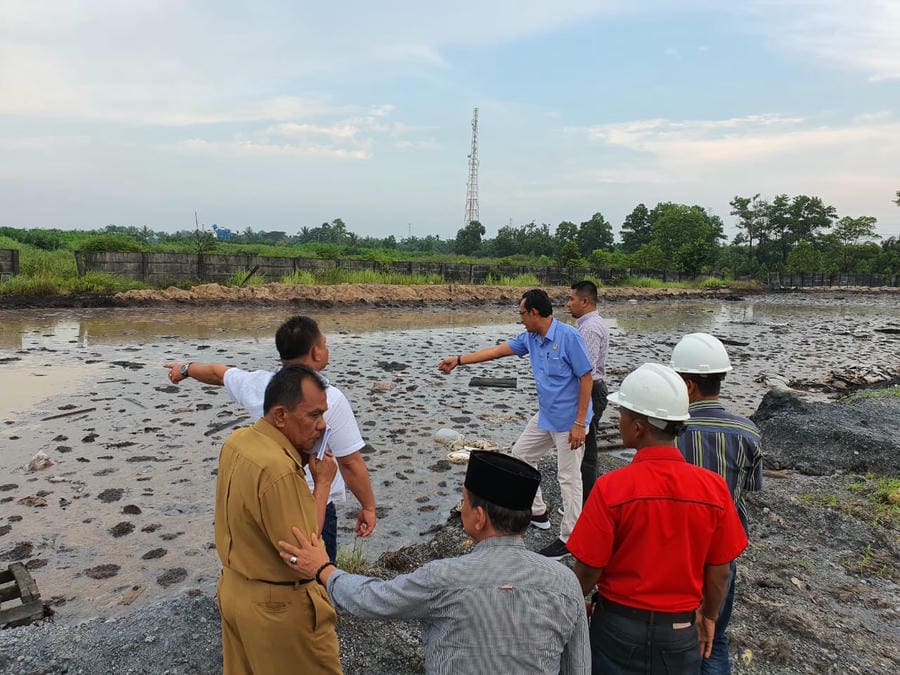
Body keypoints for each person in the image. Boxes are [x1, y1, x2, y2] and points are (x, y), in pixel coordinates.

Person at [278, 450, 590, 674]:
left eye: (464, 501)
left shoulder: (445, 577)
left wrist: (324, 569)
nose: (462, 507)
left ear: (479, 518)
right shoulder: (565, 583)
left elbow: (371, 600)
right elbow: (578, 667)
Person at [566, 363, 748, 675]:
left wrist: (573, 601)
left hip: (616, 627)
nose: (618, 420)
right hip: (679, 632)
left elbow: (588, 567)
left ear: (639, 427)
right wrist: (709, 616)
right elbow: (720, 571)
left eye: (622, 414)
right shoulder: (714, 488)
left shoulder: (612, 487)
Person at [163, 315, 376, 562]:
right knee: (316, 571)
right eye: (325, 343)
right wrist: (368, 506)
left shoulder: (260, 383)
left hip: (267, 496)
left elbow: (217, 373)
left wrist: (185, 369)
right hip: (313, 499)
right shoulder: (330, 398)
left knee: (269, 563)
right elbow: (350, 462)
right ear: (316, 352)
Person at [438, 288, 593, 559]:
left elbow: (586, 378)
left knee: (569, 478)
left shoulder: (569, 337)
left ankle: (571, 539)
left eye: (522, 313)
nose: (520, 318)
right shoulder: (531, 338)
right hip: (545, 415)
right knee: (521, 454)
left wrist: (580, 423)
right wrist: (459, 360)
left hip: (569, 421)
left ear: (534, 312)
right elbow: (497, 351)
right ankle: (538, 511)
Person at [215, 364, 342, 675]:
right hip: (278, 608)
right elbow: (304, 553)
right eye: (314, 415)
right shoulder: (279, 469)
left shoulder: (238, 441)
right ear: (281, 416)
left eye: (323, 414)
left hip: (235, 588)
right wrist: (322, 483)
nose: (323, 426)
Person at [670, 333, 764, 675]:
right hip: (723, 555)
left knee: (672, 639)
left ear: (689, 386)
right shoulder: (748, 432)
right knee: (714, 638)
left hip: (677, 552)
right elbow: (749, 489)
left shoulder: (670, 431)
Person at [565, 280, 609, 505]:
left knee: (587, 447)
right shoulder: (588, 324)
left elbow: (586, 371)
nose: (568, 304)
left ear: (585, 301)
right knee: (586, 445)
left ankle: (586, 500)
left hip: (592, 389)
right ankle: (585, 498)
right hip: (594, 388)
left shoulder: (590, 328)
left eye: (571, 299)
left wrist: (580, 417)